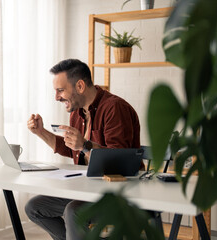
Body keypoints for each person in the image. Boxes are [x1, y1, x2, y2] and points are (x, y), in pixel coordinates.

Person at [25, 59, 140, 240]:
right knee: (35, 207)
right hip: (88, 188)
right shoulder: (78, 113)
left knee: (74, 212)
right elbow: (71, 149)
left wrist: (85, 145)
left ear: (79, 86)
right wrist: (41, 132)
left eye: (60, 90)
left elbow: (120, 162)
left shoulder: (114, 108)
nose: (56, 97)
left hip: (119, 193)